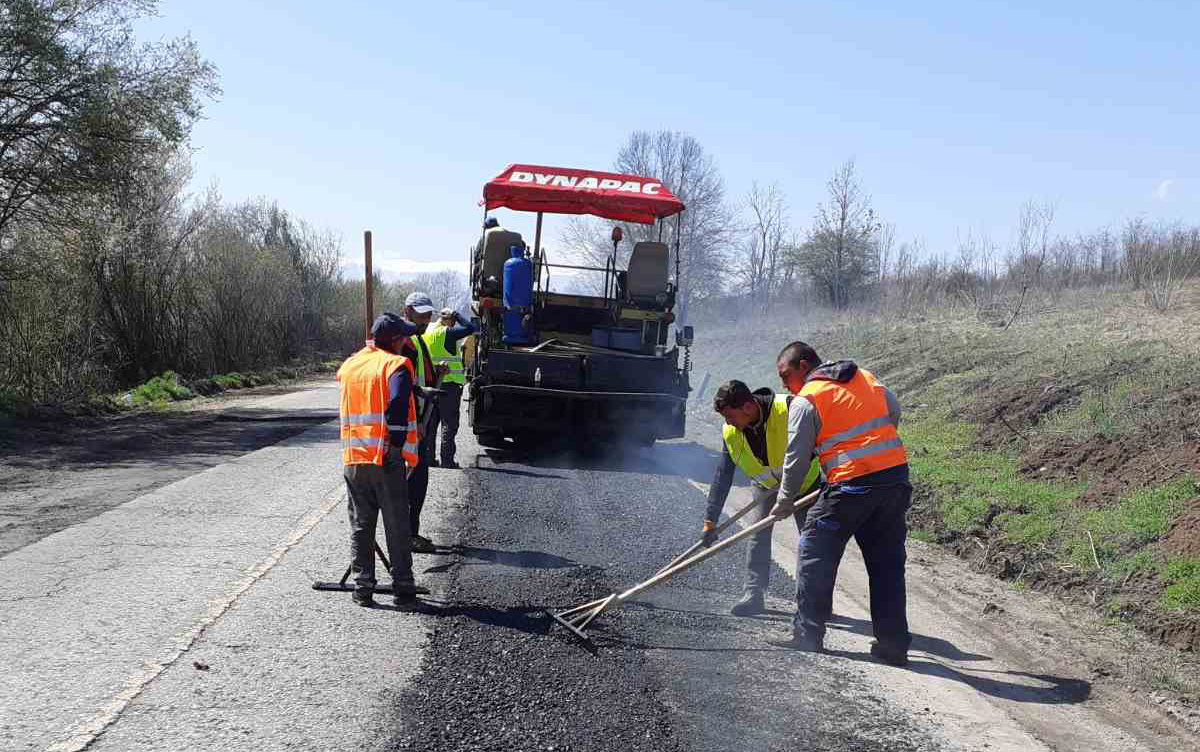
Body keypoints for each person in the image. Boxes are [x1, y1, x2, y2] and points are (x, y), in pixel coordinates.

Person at [769, 341, 911, 665]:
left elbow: (796, 458)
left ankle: (807, 635)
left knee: (815, 549)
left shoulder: (808, 399)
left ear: (803, 366)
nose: (783, 384)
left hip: (851, 485)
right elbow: (893, 410)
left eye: (785, 375)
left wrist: (785, 500)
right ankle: (893, 645)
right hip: (894, 479)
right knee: (886, 564)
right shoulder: (866, 377)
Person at [706, 380, 822, 616]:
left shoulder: (789, 408)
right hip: (765, 486)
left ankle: (812, 602)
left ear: (748, 407)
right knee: (757, 534)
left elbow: (819, 442)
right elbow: (723, 474)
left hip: (805, 484)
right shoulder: (732, 431)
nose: (728, 423)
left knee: (812, 542)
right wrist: (711, 520)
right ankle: (753, 594)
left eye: (730, 416)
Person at [336, 312, 427, 610]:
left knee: (361, 525)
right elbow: (398, 402)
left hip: (354, 457)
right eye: (404, 338)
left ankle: (362, 588)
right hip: (384, 456)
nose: (407, 343)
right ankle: (403, 587)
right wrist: (397, 444)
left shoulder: (350, 366)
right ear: (396, 340)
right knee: (397, 523)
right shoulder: (396, 365)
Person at [400, 291, 440, 554]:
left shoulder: (419, 342)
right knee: (412, 482)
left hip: (421, 419)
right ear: (408, 312)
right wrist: (416, 424)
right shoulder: (405, 344)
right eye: (420, 313)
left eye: (428, 314)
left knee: (419, 481)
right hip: (413, 423)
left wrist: (439, 374)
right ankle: (407, 535)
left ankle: (410, 533)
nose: (426, 318)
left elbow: (422, 380)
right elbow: (405, 388)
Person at [421, 306, 477, 469]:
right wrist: (457, 315)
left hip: (430, 383)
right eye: (452, 321)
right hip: (449, 385)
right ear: (448, 320)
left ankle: (428, 458)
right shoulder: (447, 332)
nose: (454, 324)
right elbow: (470, 328)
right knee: (449, 423)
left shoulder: (428, 329)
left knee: (431, 423)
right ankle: (447, 460)